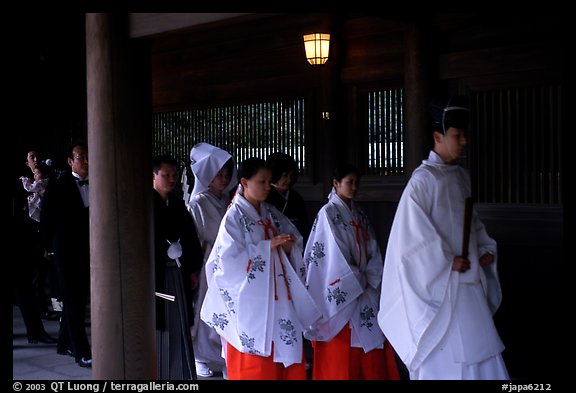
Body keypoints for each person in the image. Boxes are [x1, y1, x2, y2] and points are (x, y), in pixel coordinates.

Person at [377, 96, 510, 380]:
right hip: (440, 285)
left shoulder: (461, 177)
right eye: (457, 135)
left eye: (465, 135)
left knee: (481, 354)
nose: (464, 141)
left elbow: (472, 224)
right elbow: (410, 238)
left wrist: (483, 249)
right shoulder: (422, 181)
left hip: (468, 284)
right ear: (438, 136)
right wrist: (447, 261)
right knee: (444, 360)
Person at [200, 157, 320, 380]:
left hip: (279, 299)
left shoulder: (271, 213)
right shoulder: (234, 217)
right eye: (262, 181)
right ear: (244, 182)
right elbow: (227, 263)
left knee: (284, 355)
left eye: (269, 181)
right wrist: (266, 248)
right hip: (251, 303)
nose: (268, 187)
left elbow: (295, 240)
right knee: (256, 364)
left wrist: (286, 247)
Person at [303, 163, 400, 380]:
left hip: (364, 287)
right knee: (343, 353)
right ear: (336, 184)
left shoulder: (359, 214)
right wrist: (356, 280)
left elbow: (373, 247)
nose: (354, 187)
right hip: (347, 291)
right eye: (349, 182)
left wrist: (371, 277)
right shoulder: (328, 214)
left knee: (370, 350)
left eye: (357, 183)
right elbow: (330, 255)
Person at [187, 143, 237, 378]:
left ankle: (223, 356)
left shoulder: (229, 199)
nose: (224, 179)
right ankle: (200, 356)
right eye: (219, 175)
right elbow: (195, 237)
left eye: (227, 175)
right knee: (205, 311)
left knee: (227, 310)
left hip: (229, 262)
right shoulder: (198, 202)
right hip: (208, 260)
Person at [40, 144, 92, 368]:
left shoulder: (98, 182)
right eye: (81, 158)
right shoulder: (58, 185)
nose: (86, 161)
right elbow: (46, 218)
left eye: (89, 157)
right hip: (66, 250)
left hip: (90, 249)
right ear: (70, 161)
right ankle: (81, 350)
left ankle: (64, 343)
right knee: (74, 300)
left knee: (78, 299)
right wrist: (47, 248)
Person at [152, 154, 203, 380]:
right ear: (153, 175)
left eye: (174, 175)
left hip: (178, 272)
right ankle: (160, 373)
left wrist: (192, 268)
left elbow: (191, 237)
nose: (172, 179)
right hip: (157, 276)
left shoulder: (177, 203)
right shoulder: (143, 205)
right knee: (160, 323)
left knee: (179, 322)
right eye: (166, 175)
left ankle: (181, 373)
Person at [266, 152, 310, 242]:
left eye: (291, 175)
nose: (289, 180)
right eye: (285, 175)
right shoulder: (266, 196)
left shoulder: (296, 198)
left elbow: (304, 226)